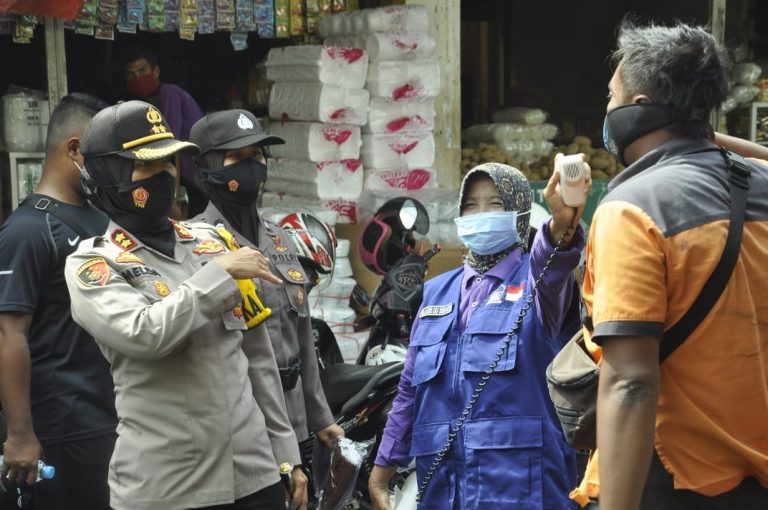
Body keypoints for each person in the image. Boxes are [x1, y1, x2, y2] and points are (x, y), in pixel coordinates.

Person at [64, 100, 306, 510]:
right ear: (110, 176)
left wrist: (285, 455)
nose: (165, 178)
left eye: (170, 165)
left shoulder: (215, 243)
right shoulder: (94, 263)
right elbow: (145, 335)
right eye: (147, 167)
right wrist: (219, 276)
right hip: (169, 488)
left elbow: (258, 359)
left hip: (253, 476)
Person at [580, 20, 768, 510]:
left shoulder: (632, 209)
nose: (607, 110)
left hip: (677, 481)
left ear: (637, 110)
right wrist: (702, 133)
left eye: (611, 97)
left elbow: (630, 381)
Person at [369, 162, 590, 509]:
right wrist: (383, 467)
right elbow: (410, 390)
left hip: (521, 489)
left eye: (495, 204)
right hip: (443, 489)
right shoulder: (435, 293)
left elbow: (555, 261)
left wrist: (559, 227)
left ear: (518, 212)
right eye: (471, 205)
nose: (480, 213)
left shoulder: (537, 283)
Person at [188, 110, 344, 451]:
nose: (251, 165)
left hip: (297, 422)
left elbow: (303, 339)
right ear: (208, 167)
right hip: (243, 430)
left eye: (257, 155)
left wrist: (321, 417)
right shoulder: (195, 246)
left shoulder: (281, 241)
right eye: (237, 157)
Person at [0, 93, 117, 510]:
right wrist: (20, 434)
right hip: (63, 426)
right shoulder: (28, 231)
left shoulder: (103, 218)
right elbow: (9, 335)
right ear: (74, 149)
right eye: (104, 155)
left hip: (112, 415)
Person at [123, 46, 206, 217]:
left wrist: (173, 200)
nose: (138, 78)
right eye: (131, 74)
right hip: (193, 176)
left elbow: (170, 147)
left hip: (196, 175)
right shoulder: (151, 103)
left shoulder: (168, 94)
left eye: (142, 70)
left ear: (156, 71)